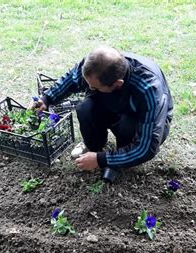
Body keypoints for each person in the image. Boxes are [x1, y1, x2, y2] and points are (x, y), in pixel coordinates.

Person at [33, 46, 173, 180]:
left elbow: (147, 147)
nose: (88, 87)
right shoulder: (96, 66)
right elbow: (73, 79)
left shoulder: (149, 90)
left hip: (143, 117)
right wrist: (47, 98)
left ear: (118, 84)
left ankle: (119, 157)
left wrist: (103, 160)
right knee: (85, 109)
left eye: (93, 86)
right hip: (114, 100)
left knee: (127, 127)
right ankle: (94, 149)